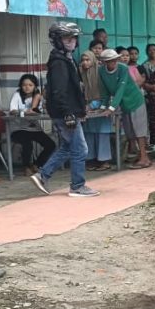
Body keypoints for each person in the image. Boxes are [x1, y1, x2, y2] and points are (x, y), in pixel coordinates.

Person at [30, 22, 100, 198]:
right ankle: (77, 186)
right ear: (57, 40)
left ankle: (42, 176)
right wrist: (68, 113)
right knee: (80, 149)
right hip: (65, 113)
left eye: (73, 38)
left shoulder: (66, 58)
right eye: (67, 38)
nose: (72, 41)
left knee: (69, 147)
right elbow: (59, 91)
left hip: (66, 111)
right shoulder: (59, 62)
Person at [98, 49, 151, 169]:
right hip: (123, 103)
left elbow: (120, 89)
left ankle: (144, 158)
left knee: (139, 129)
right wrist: (103, 106)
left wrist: (111, 108)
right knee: (129, 131)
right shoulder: (101, 71)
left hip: (135, 100)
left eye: (114, 60)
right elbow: (105, 90)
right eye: (109, 61)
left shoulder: (123, 68)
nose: (113, 62)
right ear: (104, 62)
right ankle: (138, 155)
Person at [8, 73, 55, 176]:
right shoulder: (17, 95)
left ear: (35, 86)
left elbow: (41, 111)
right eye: (24, 85)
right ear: (21, 86)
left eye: (30, 85)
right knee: (27, 144)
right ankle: (26, 166)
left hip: (34, 129)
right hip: (19, 129)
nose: (27, 87)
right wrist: (24, 112)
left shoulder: (37, 96)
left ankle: (37, 165)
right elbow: (12, 111)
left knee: (51, 145)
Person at [80, 50, 114, 172]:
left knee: (102, 135)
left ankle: (104, 161)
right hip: (89, 110)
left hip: (101, 108)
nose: (85, 63)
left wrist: (93, 105)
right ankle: (91, 160)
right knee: (89, 135)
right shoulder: (84, 75)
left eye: (87, 60)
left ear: (93, 61)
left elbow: (105, 94)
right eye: (83, 60)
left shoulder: (100, 74)